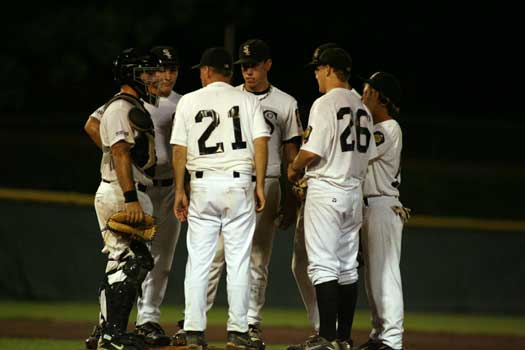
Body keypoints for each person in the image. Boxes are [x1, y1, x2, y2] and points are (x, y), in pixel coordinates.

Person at [174, 38, 301, 349]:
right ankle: (238, 330)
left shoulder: (189, 100)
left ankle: (193, 330)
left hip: (203, 184)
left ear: (205, 71)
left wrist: (180, 188)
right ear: (230, 71)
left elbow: (179, 147)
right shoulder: (246, 101)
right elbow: (260, 142)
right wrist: (258, 185)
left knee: (199, 261)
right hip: (239, 183)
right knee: (241, 259)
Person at [84, 46, 183, 348]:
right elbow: (120, 152)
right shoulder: (120, 107)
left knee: (126, 262)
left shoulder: (132, 104)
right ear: (131, 74)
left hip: (131, 189)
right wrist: (130, 198)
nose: (155, 78)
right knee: (128, 261)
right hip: (121, 191)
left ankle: (106, 331)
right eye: (147, 72)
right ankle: (112, 333)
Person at [287, 47, 376, 350]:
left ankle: (325, 337)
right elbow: (368, 155)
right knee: (347, 267)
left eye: (317, 69)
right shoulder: (363, 107)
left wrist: (294, 168)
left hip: (327, 190)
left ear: (327, 69)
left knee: (323, 265)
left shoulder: (325, 103)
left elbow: (312, 150)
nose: (315, 74)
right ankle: (343, 337)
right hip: (353, 193)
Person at [356, 72, 406, 350]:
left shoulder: (388, 128)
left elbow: (359, 152)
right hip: (369, 207)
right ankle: (380, 335)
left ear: (381, 97)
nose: (364, 94)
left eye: (369, 91)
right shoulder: (376, 127)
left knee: (385, 274)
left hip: (382, 205)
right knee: (374, 278)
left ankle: (392, 339)